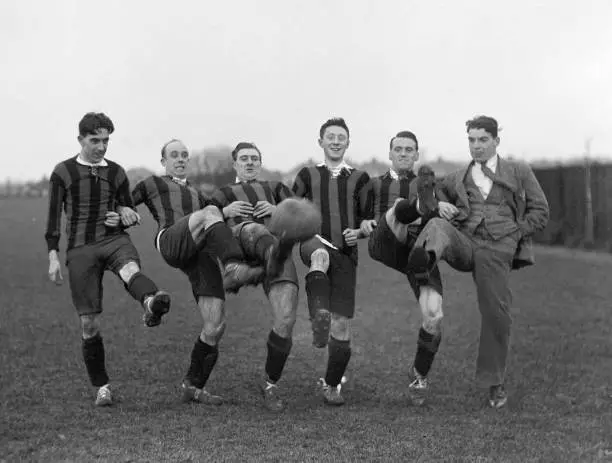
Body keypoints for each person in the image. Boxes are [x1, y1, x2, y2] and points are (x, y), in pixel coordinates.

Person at [405, 116, 549, 408]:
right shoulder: (458, 177)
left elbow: (540, 209)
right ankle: (423, 263)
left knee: (496, 313)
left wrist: (517, 233)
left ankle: (494, 382)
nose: (476, 146)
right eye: (471, 140)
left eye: (483, 140)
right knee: (437, 227)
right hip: (466, 242)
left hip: (497, 248)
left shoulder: (518, 170)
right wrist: (433, 197)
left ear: (496, 140)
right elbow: (427, 192)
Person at [129, 139, 274, 405]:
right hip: (171, 240)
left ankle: (193, 386)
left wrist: (231, 213)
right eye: (174, 155)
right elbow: (125, 202)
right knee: (210, 213)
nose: (181, 158)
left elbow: (217, 222)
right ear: (163, 161)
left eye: (185, 155)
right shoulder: (153, 183)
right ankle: (232, 267)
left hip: (199, 252)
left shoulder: (198, 193)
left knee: (215, 324)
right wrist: (125, 212)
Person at [45, 112, 171, 407]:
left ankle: (152, 302)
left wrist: (127, 216)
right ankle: (102, 387)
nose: (101, 147)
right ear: (81, 140)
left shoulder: (116, 172)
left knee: (130, 269)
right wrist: (53, 255)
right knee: (89, 323)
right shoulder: (62, 172)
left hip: (113, 239)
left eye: (106, 140)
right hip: (80, 248)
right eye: (95, 140)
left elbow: (127, 211)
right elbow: (52, 218)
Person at [360, 130, 453, 406]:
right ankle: (416, 206)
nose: (402, 153)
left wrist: (444, 207)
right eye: (398, 149)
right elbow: (360, 219)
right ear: (389, 154)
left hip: (417, 253)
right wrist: (364, 224)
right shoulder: (374, 184)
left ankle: (419, 375)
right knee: (398, 210)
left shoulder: (430, 185)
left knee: (434, 315)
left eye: (408, 150)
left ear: (416, 155)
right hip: (385, 240)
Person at [211, 141, 298, 412]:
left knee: (286, 320)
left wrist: (278, 211)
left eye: (254, 158)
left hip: (276, 251)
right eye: (244, 158)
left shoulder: (276, 189)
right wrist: (224, 212)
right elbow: (203, 223)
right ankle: (244, 270)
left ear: (260, 163)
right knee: (252, 229)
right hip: (242, 247)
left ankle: (271, 384)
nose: (250, 162)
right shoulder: (222, 193)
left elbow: (303, 216)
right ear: (234, 163)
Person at [292, 117, 371, 406]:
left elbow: (368, 219)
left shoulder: (360, 179)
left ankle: (332, 384)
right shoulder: (306, 175)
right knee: (320, 256)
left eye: (341, 137)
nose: (336, 141)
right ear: (321, 142)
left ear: (347, 143)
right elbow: (292, 210)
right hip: (314, 243)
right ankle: (318, 313)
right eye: (330, 137)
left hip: (346, 254)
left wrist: (360, 231)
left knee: (341, 328)